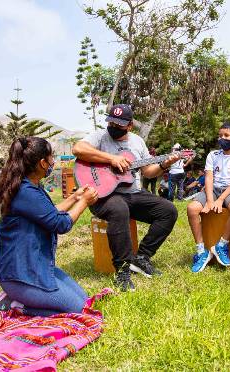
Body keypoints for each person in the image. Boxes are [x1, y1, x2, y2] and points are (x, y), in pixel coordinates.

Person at [0, 136, 99, 315]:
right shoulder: (25, 191)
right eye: (51, 157)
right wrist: (84, 202)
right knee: (78, 312)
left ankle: (20, 301)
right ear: (43, 163)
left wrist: (74, 198)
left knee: (84, 302)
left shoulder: (30, 186)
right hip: (20, 276)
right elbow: (60, 224)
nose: (53, 161)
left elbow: (48, 214)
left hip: (35, 268)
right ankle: (16, 306)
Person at [72, 104, 181, 291]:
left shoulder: (137, 142)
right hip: (103, 195)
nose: (113, 126)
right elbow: (78, 149)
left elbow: (148, 172)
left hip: (133, 193)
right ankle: (122, 270)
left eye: (119, 124)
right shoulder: (100, 136)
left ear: (130, 126)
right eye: (111, 121)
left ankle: (141, 258)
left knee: (168, 210)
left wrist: (164, 165)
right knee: (119, 208)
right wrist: (110, 158)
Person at [187, 121, 230, 273]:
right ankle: (201, 250)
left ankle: (222, 244)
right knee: (192, 208)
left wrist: (221, 199)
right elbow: (209, 178)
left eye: (226, 135)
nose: (222, 138)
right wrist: (210, 200)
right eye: (220, 135)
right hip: (212, 190)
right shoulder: (213, 155)